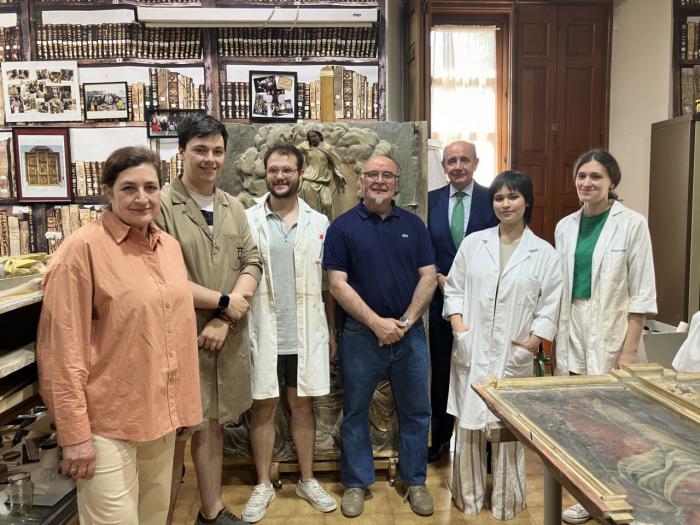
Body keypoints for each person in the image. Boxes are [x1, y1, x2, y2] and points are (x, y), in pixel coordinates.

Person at [36, 146, 203, 524]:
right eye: (129, 188)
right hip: (105, 426)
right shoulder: (81, 252)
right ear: (107, 192)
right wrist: (75, 436)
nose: (142, 198)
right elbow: (62, 353)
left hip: (159, 419)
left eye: (150, 187)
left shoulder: (170, 248)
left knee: (154, 517)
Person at [156, 114, 263, 525]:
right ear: (181, 152)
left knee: (212, 423)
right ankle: (160, 518)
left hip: (224, 337)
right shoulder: (162, 204)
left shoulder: (232, 206)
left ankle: (211, 510)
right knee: (172, 436)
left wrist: (228, 314)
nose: (210, 158)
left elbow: (252, 261)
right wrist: (223, 302)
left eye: (217, 150)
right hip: (178, 339)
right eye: (200, 150)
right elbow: (163, 278)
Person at [443, 170, 563, 520]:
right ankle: (467, 497)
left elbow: (550, 303)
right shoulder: (474, 243)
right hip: (473, 344)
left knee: (510, 431)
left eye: (513, 197)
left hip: (515, 350)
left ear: (527, 201)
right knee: (468, 426)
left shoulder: (543, 252)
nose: (505, 203)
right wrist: (459, 326)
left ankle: (508, 503)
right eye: (499, 197)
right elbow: (454, 288)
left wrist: (533, 342)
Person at [324, 156, 436, 518]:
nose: (380, 180)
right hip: (360, 336)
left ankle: (415, 480)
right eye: (373, 174)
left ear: (397, 183)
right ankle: (356, 484)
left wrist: (403, 321)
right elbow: (336, 285)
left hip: (410, 336)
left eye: (388, 174)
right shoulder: (342, 228)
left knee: (417, 411)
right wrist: (376, 323)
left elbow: (429, 276)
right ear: (361, 180)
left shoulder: (414, 225)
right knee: (355, 411)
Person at [554, 149, 657, 525]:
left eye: (596, 177)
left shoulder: (632, 224)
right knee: (580, 420)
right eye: (582, 176)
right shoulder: (565, 226)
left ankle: (625, 497)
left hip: (615, 330)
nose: (587, 183)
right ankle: (587, 495)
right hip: (574, 327)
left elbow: (642, 290)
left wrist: (629, 349)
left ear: (612, 182)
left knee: (617, 422)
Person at [241, 144, 337, 522]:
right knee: (263, 406)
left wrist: (330, 331)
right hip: (263, 329)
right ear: (266, 174)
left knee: (302, 406)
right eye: (274, 170)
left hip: (304, 331)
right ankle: (263, 483)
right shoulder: (247, 219)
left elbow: (328, 283)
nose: (280, 176)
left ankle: (307, 479)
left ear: (300, 174)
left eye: (288, 170)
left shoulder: (319, 222)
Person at [426, 140, 497, 462]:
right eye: (451, 161)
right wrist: (440, 278)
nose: (457, 166)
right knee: (440, 370)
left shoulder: (493, 199)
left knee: (481, 370)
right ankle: (439, 437)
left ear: (476, 163)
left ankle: (485, 439)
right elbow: (424, 249)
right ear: (444, 167)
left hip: (483, 304)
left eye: (464, 160)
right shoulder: (430, 202)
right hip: (438, 300)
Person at [298, 129, 346, 220]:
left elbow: (335, 162)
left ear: (320, 136)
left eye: (314, 136)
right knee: (311, 209)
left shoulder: (327, 148)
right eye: (310, 137)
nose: (312, 139)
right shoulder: (306, 147)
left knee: (327, 204)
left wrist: (338, 173)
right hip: (309, 182)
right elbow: (293, 151)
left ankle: (327, 228)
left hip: (323, 183)